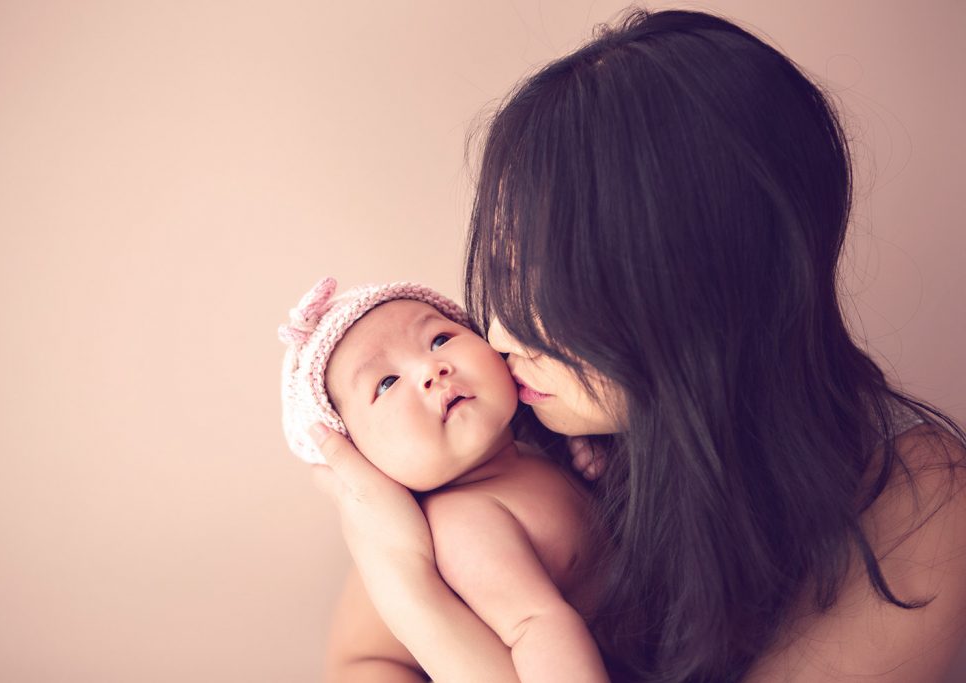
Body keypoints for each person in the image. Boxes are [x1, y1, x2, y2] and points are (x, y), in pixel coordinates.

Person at [308, 9, 966, 683]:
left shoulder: (917, 500)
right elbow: (364, 659)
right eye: (503, 278)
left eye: (558, 291)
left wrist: (408, 588)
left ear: (707, 285)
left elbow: (406, 621)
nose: (500, 335)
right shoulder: (521, 434)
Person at [279, 277, 609, 681]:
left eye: (438, 340)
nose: (430, 369)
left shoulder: (544, 447)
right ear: (360, 459)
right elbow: (535, 626)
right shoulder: (463, 520)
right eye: (386, 383)